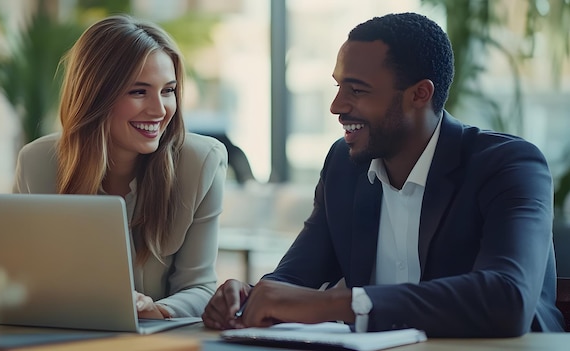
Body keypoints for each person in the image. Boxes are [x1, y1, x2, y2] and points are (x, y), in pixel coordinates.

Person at [202, 12, 565, 337]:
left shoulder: (508, 165)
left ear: (419, 94)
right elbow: (295, 277)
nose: (337, 106)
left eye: (356, 90)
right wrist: (250, 296)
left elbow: (507, 299)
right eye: (338, 86)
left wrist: (343, 304)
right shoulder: (345, 165)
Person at [12, 15, 228, 319]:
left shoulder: (200, 162)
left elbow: (200, 288)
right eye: (139, 91)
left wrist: (158, 309)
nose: (159, 110)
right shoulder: (37, 162)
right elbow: (19, 279)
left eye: (168, 91)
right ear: (95, 96)